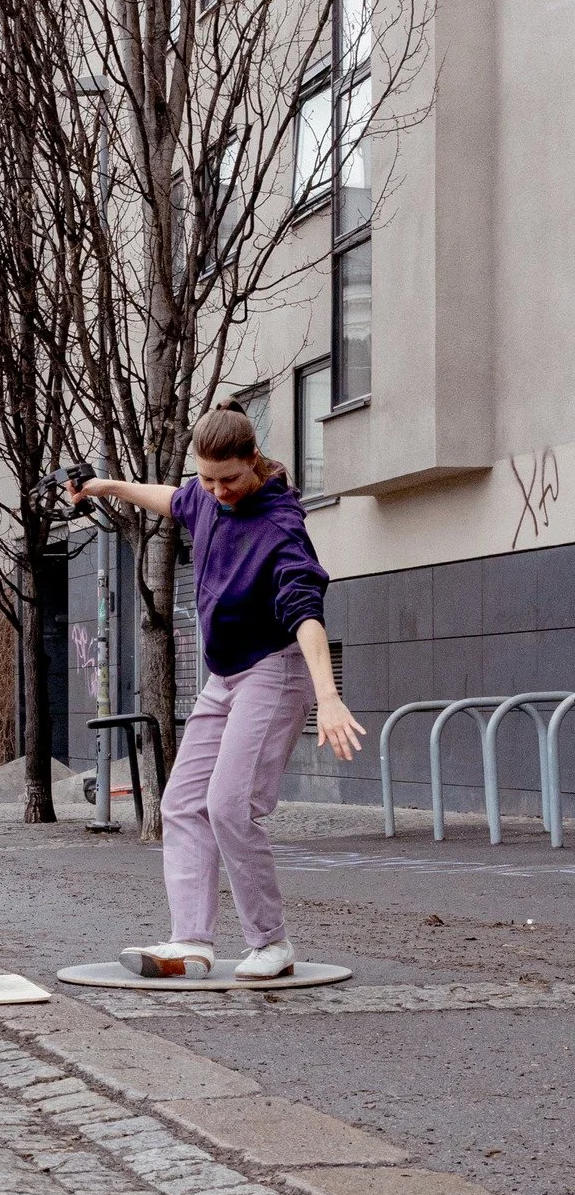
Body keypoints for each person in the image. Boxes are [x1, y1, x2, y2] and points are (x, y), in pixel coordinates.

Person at [70, 401, 365, 980]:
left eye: (228, 479)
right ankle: (192, 941)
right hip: (223, 677)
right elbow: (171, 499)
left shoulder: (281, 525)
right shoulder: (202, 495)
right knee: (181, 802)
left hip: (274, 673)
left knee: (230, 806)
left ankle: (271, 942)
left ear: (253, 461)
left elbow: (305, 613)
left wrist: (328, 696)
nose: (218, 492)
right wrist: (104, 485)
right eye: (207, 479)